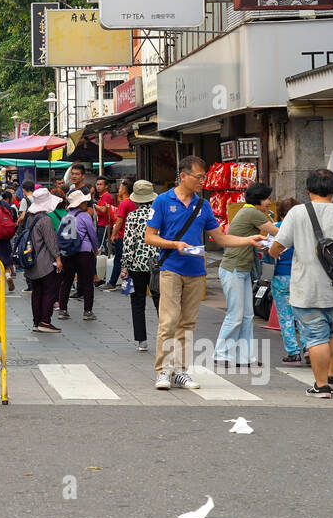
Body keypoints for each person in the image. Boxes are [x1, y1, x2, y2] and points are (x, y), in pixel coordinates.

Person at [144, 157, 270, 391]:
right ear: (183, 176)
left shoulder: (204, 205)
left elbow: (221, 238)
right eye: (199, 177)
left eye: (203, 177)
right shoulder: (162, 201)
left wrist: (248, 240)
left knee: (188, 323)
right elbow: (149, 236)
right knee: (168, 321)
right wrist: (174, 244)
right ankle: (163, 371)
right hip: (171, 268)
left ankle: (181, 370)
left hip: (196, 271)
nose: (203, 181)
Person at [268, 169, 333, 398]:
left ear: (309, 189)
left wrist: (272, 250)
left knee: (315, 336)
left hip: (307, 287)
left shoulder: (296, 213)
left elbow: (278, 247)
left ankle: (321, 385)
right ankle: (332, 379)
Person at [213, 182, 275, 369]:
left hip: (241, 270)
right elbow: (278, 232)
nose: (269, 202)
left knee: (247, 315)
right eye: (267, 198)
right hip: (234, 269)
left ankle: (244, 357)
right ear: (259, 199)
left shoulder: (248, 210)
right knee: (236, 314)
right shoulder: (252, 212)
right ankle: (220, 353)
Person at [118, 180, 161, 351]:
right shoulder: (159, 214)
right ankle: (164, 337)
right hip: (157, 264)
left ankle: (141, 341)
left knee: (137, 302)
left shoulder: (133, 216)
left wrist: (124, 265)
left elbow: (128, 244)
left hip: (137, 266)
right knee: (160, 301)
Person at [270, 198, 305, 366]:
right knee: (304, 315)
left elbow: (270, 251)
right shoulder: (306, 229)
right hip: (302, 276)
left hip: (280, 276)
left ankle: (293, 352)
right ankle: (308, 348)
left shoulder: (276, 228)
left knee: (286, 316)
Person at [23, 187, 64, 332]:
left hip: (32, 260)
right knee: (49, 291)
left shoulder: (30, 217)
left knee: (37, 292)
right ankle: (45, 321)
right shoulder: (45, 219)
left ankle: (36, 322)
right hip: (45, 261)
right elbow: (51, 242)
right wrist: (58, 259)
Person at [56, 190, 100, 320]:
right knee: (87, 281)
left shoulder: (66, 217)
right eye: (85, 201)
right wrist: (95, 248)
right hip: (84, 252)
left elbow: (60, 234)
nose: (86, 203)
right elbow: (92, 234)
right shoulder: (85, 216)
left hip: (68, 253)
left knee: (66, 282)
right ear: (80, 203)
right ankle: (87, 311)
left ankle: (63, 310)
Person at [102, 178, 138, 291]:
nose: (119, 189)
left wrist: (113, 234)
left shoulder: (124, 203)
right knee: (129, 260)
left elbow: (119, 221)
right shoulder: (133, 202)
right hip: (132, 235)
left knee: (119, 260)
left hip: (123, 236)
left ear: (125, 190)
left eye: (121, 187)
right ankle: (129, 284)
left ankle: (112, 282)